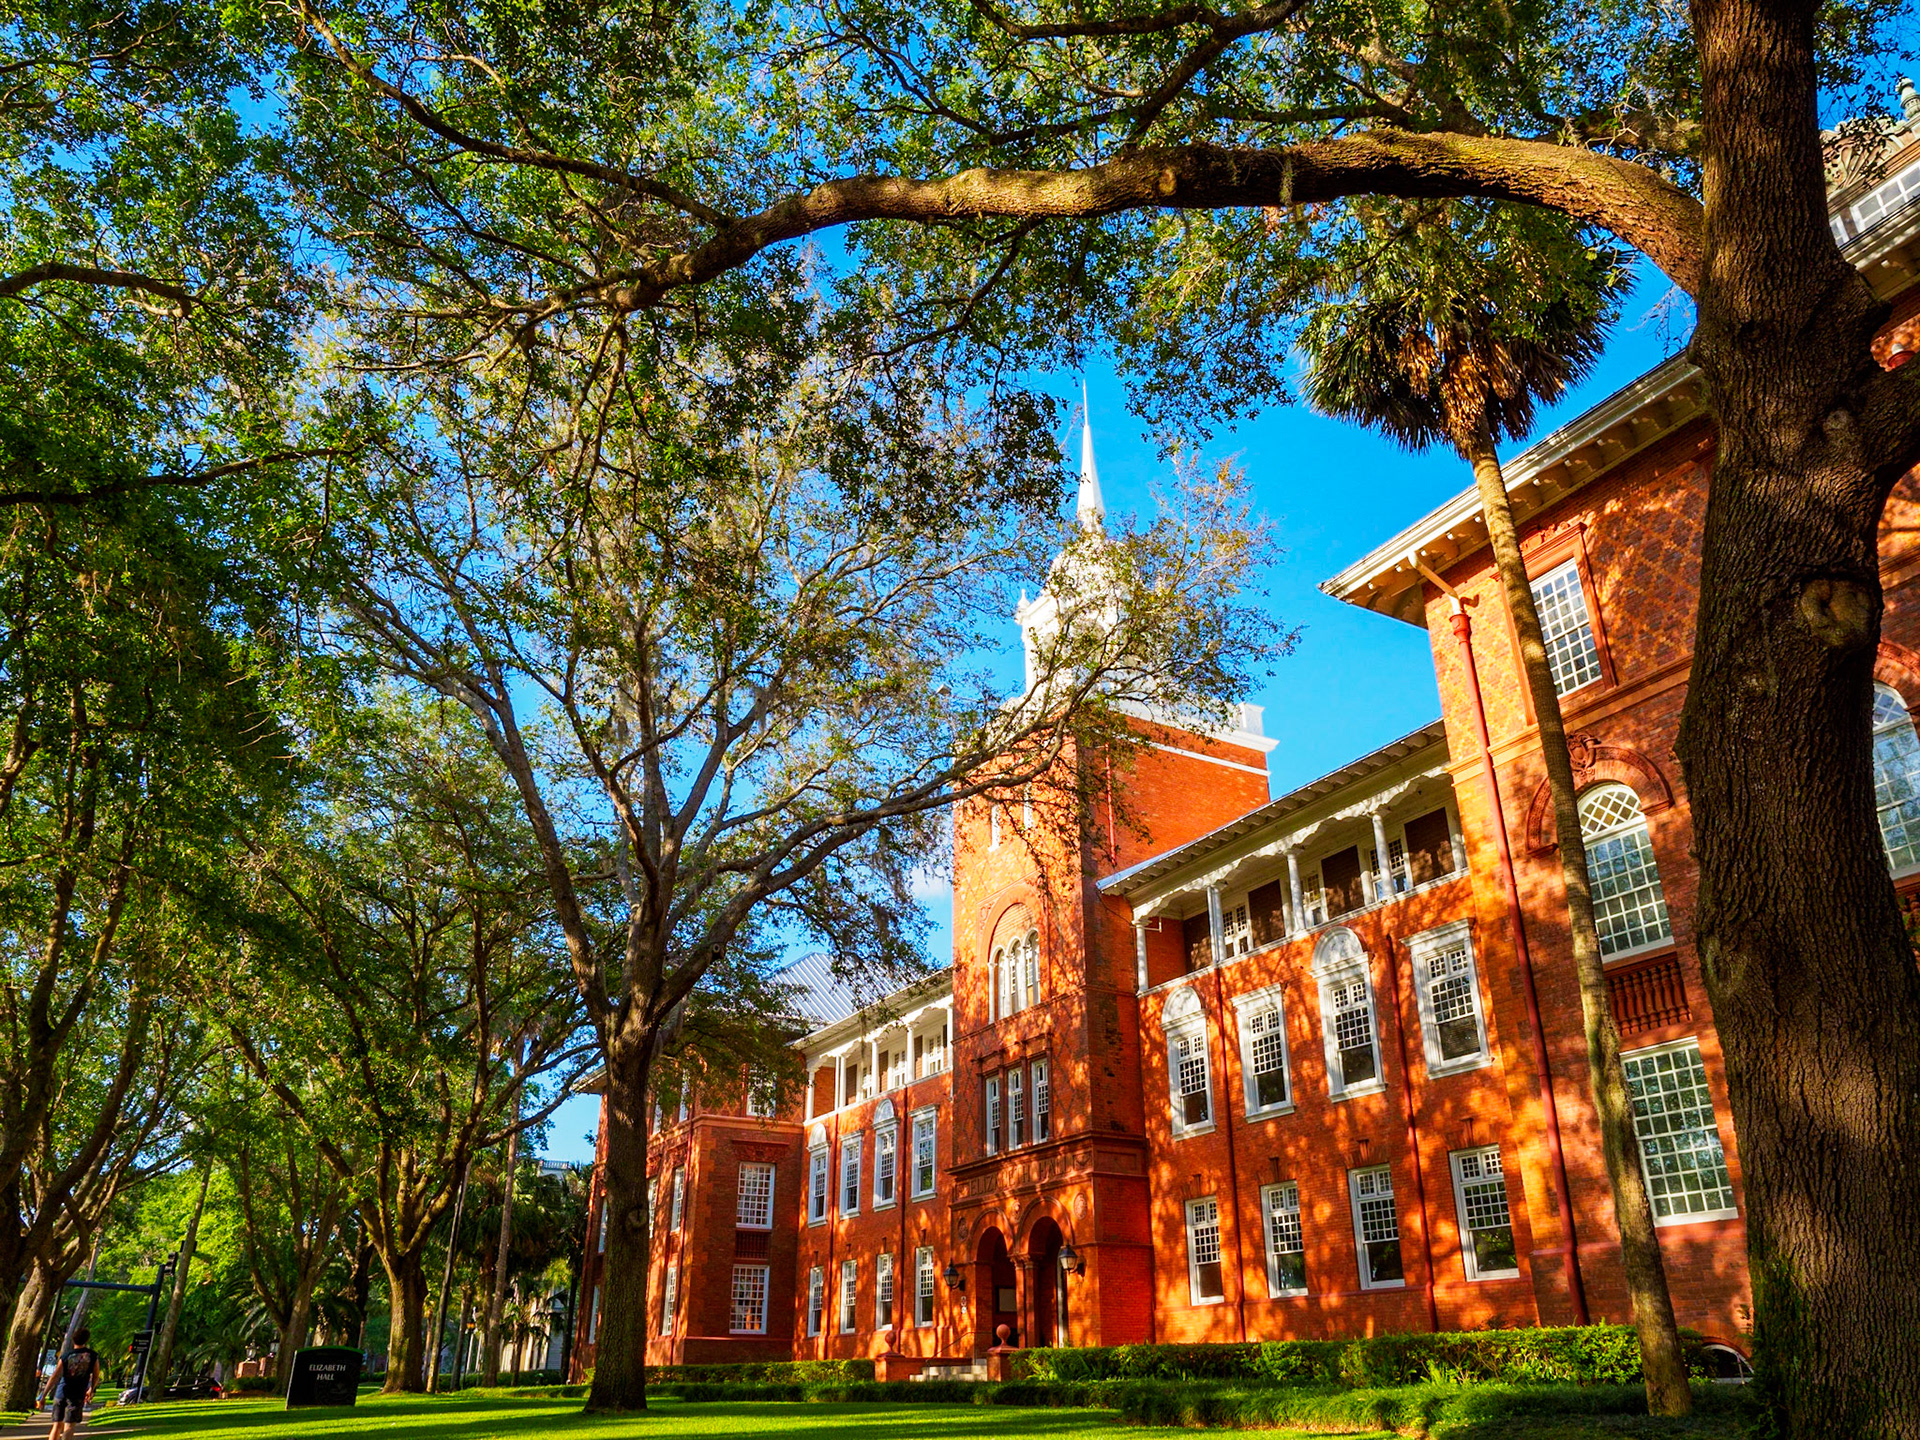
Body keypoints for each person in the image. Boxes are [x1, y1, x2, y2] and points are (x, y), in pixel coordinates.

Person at [43, 1327, 99, 1440]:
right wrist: (91, 1389)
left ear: (73, 1340)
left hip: (61, 1393)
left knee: (56, 1425)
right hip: (77, 1395)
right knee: (69, 1426)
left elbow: (55, 1376)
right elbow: (96, 1375)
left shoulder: (66, 1356)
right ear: (86, 1340)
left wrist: (43, 1394)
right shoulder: (92, 1356)